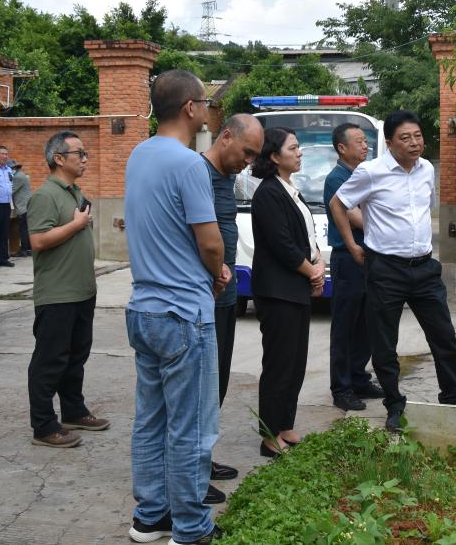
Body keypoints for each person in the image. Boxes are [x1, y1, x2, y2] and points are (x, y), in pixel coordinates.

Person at [125, 70, 228, 545]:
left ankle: (151, 517)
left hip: (143, 308)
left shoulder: (138, 154)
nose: (208, 109)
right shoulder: (189, 164)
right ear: (190, 108)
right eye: (205, 101)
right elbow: (209, 241)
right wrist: (219, 271)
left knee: (151, 420)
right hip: (184, 313)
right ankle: (191, 528)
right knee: (191, 427)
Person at [329, 110, 456, 433]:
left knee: (444, 336)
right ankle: (394, 406)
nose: (414, 142)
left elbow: (425, 209)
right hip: (386, 270)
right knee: (384, 344)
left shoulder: (427, 169)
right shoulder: (371, 172)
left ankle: (452, 398)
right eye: (405, 138)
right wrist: (352, 245)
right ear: (389, 143)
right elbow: (338, 203)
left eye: (418, 136)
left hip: (425, 268)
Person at [25, 131, 108, 448]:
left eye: (85, 154)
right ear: (59, 159)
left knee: (76, 356)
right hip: (57, 294)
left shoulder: (74, 192)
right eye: (80, 153)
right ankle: (44, 425)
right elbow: (38, 240)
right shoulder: (45, 196)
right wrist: (75, 225)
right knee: (50, 361)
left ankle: (74, 410)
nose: (85, 159)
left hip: (82, 291)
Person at [251, 127, 325, 456]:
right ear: (274, 155)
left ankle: (285, 424)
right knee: (279, 363)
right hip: (277, 291)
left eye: (298, 147)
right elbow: (281, 243)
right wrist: (312, 272)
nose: (299, 153)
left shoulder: (291, 189)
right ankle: (269, 435)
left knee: (296, 361)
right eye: (293, 148)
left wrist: (318, 261)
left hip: (296, 288)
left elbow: (306, 236)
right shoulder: (268, 193)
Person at [200, 113, 264, 494]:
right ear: (226, 136)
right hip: (204, 295)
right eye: (247, 152)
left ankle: (202, 458)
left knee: (218, 382)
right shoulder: (198, 174)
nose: (249, 162)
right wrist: (212, 270)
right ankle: (191, 473)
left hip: (225, 297)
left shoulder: (227, 177)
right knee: (200, 388)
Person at [323, 123, 382, 412]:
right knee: (345, 325)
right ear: (341, 148)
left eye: (365, 140)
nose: (365, 145)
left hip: (368, 256)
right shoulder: (337, 178)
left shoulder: (363, 174)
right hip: (348, 257)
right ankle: (341, 387)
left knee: (366, 323)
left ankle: (359, 378)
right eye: (358, 141)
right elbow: (357, 217)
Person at [10, 159, 32, 257]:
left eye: (10, 168)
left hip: (23, 207)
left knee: (23, 229)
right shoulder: (21, 175)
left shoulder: (17, 177)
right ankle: (29, 249)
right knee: (26, 229)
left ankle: (24, 250)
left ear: (14, 168)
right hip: (26, 206)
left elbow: (11, 191)